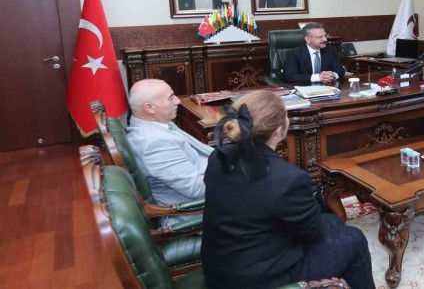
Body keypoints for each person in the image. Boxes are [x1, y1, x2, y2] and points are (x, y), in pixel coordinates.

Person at [201, 91, 375, 289]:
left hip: (220, 267)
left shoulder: (218, 157)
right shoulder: (287, 178)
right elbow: (311, 234)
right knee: (355, 239)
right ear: (279, 130)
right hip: (255, 279)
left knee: (333, 221)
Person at [126, 79, 213, 212]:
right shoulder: (155, 144)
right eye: (171, 98)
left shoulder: (154, 125)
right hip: (202, 210)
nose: (178, 101)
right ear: (149, 108)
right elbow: (198, 190)